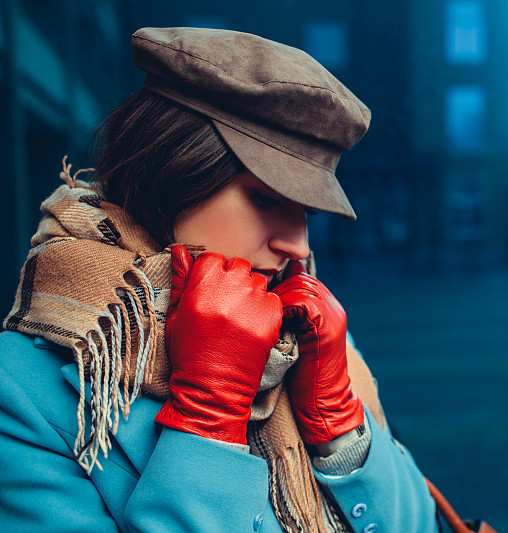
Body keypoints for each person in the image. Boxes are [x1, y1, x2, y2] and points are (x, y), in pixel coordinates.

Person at [0, 27, 438, 532]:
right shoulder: (24, 388)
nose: (298, 246)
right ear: (174, 172)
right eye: (268, 199)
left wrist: (341, 430)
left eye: (308, 214)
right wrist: (206, 420)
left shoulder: (306, 335)